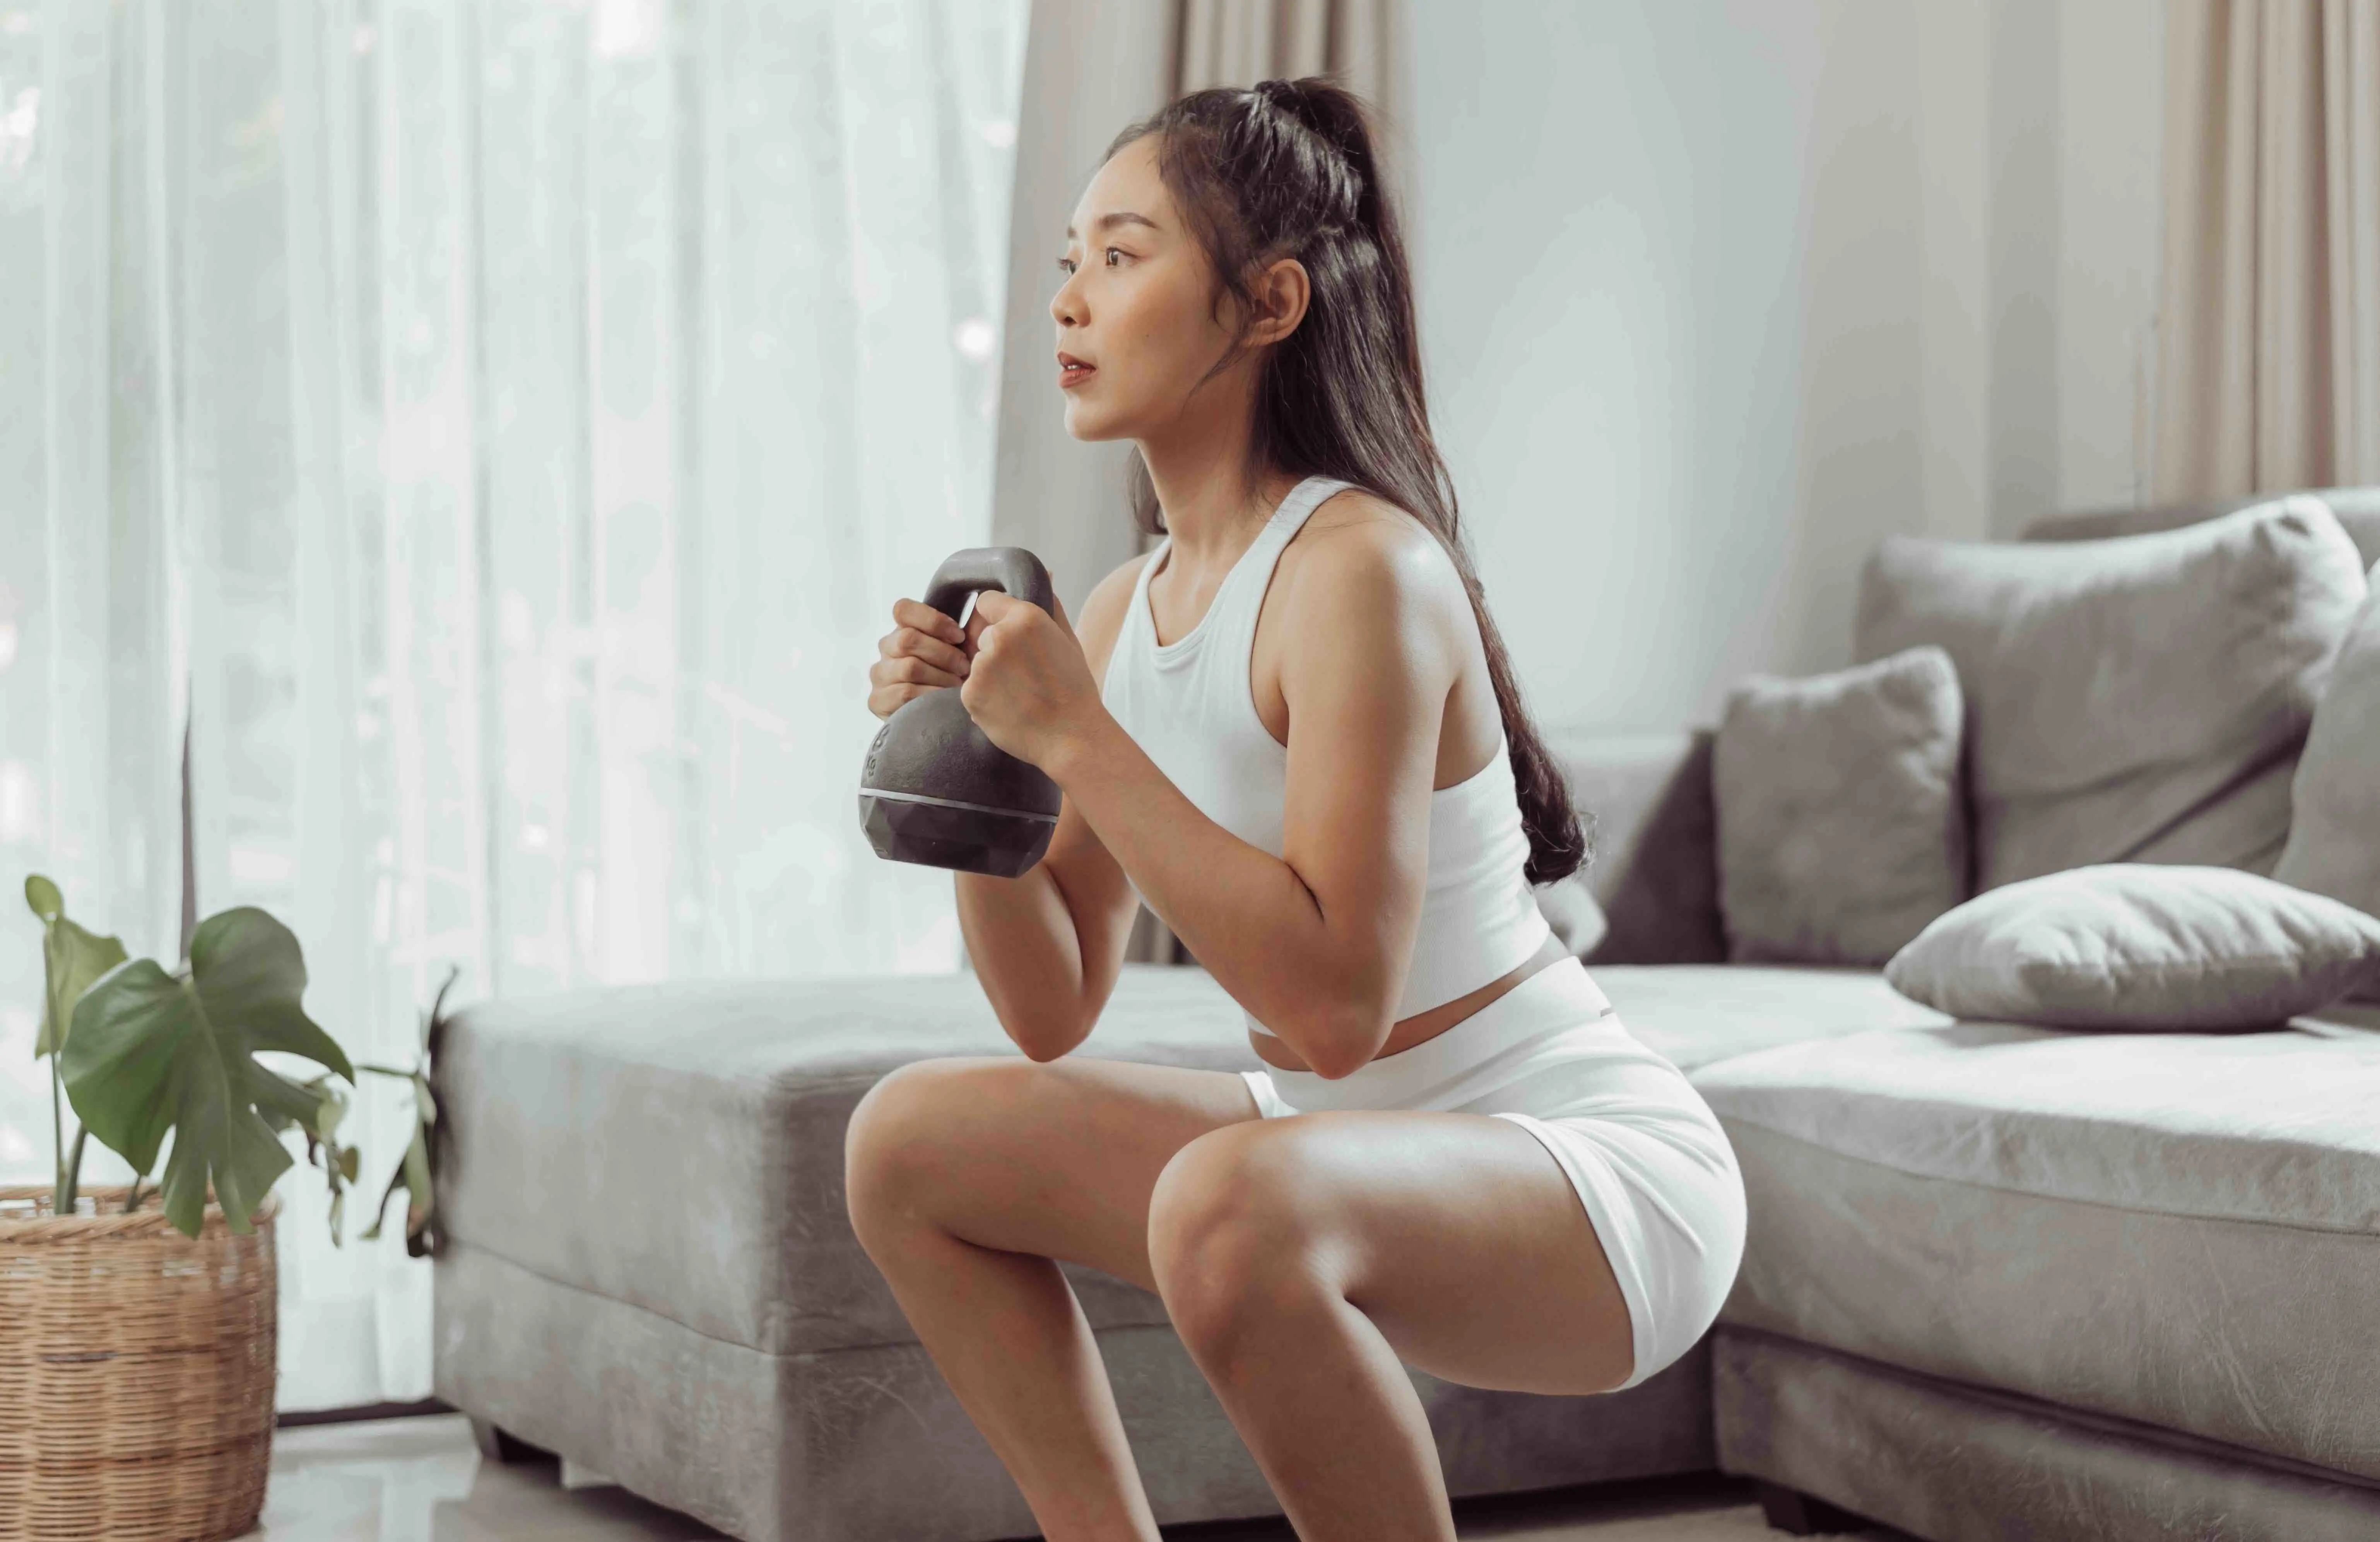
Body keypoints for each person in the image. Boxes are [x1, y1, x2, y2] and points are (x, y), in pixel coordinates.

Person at [845, 77, 1746, 1542]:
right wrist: (986, 765)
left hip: (1588, 1176)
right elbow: (1052, 1006)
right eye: (1069, 258)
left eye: (1124, 258)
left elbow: (1333, 1009)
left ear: (1265, 304)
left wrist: (1077, 737)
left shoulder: (1361, 571)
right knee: (907, 1142)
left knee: (1224, 1198)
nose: (1070, 300)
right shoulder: (1133, 607)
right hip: (1345, 1150)